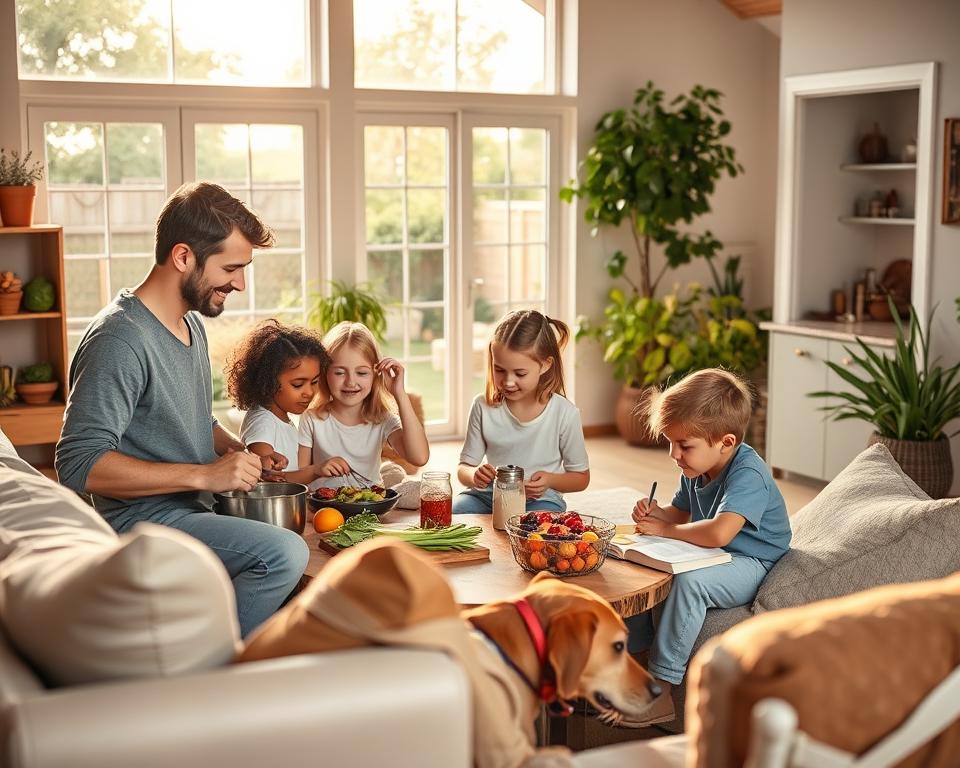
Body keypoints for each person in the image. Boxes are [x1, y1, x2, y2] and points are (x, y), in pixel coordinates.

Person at [56, 181, 310, 638]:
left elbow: (190, 416)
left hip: (195, 506)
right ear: (183, 257)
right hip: (143, 522)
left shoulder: (190, 320)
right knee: (283, 554)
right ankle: (211, 670)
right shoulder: (120, 339)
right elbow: (78, 464)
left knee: (311, 531)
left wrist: (238, 451)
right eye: (231, 267)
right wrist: (204, 475)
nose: (240, 283)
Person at [625, 368, 792, 726]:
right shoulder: (698, 466)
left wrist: (666, 530)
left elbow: (719, 533)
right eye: (671, 443)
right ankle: (635, 665)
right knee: (640, 566)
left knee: (690, 584)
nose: (674, 454)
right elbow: (679, 512)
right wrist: (657, 514)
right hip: (717, 552)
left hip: (753, 560)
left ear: (726, 442)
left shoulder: (749, 473)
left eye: (684, 446)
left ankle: (662, 691)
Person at [454, 309, 590, 514]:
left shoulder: (565, 413)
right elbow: (463, 468)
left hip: (539, 500)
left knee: (539, 529)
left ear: (545, 365)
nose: (508, 382)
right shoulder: (482, 406)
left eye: (520, 373)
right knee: (452, 515)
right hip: (488, 495)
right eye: (499, 370)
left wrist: (550, 480)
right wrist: (474, 474)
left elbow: (581, 478)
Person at [298, 321, 429, 492]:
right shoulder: (312, 419)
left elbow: (419, 457)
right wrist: (317, 469)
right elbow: (299, 477)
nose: (351, 382)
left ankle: (391, 475)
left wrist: (399, 394)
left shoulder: (383, 418)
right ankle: (391, 475)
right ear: (324, 373)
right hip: (324, 508)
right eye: (339, 372)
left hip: (368, 507)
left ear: (375, 375)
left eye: (362, 373)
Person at [225, 319, 333, 486]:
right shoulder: (263, 421)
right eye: (298, 384)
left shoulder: (283, 419)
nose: (309, 392)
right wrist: (315, 471)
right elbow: (267, 479)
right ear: (268, 381)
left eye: (314, 382)